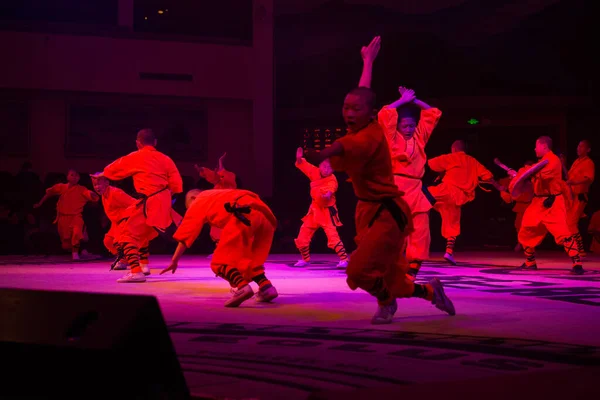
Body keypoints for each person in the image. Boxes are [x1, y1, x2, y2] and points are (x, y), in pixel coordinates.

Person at [302, 51, 455, 324]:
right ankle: (431, 292)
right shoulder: (370, 129)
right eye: (345, 107)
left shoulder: (372, 135)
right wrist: (368, 63)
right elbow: (365, 98)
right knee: (390, 275)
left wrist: (323, 153)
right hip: (369, 209)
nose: (349, 112)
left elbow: (347, 146)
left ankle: (387, 301)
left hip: (390, 208)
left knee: (359, 271)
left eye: (355, 109)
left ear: (369, 114)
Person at [357, 37, 442, 281]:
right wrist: (402, 101)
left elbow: (433, 113)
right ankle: (390, 266)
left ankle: (413, 270)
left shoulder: (419, 138)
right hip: (397, 188)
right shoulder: (391, 138)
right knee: (394, 231)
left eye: (411, 124)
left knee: (421, 229)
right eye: (404, 124)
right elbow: (385, 114)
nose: (408, 128)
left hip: (416, 188)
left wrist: (415, 101)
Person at [160, 188, 279, 307]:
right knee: (252, 261)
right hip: (266, 216)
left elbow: (186, 233)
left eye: (188, 208)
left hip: (242, 214)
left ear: (193, 198)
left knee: (220, 262)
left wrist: (174, 260)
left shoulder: (199, 200)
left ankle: (243, 287)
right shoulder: (217, 195)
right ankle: (267, 288)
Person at [94, 128, 183, 283]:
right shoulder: (166, 159)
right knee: (140, 235)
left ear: (137, 143)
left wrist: (104, 174)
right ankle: (143, 265)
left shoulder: (137, 157)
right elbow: (177, 187)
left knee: (127, 235)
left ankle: (136, 271)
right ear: (155, 142)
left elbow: (113, 169)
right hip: (163, 203)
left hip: (149, 202)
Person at [517, 136, 583, 274]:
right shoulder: (542, 161)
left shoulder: (553, 160)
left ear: (544, 146)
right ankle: (530, 262)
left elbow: (540, 175)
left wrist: (524, 173)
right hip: (538, 202)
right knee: (525, 228)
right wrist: (518, 176)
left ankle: (577, 263)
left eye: (536, 146)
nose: (535, 149)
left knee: (563, 232)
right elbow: (533, 175)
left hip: (553, 202)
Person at [427, 140, 500, 264]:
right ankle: (449, 252)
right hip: (459, 198)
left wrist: (442, 170)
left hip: (448, 190)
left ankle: (412, 234)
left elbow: (431, 163)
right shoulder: (473, 161)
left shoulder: (452, 157)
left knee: (422, 195)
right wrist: (499, 187)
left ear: (453, 149)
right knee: (452, 224)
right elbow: (487, 176)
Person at [293, 147, 348, 268]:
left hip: (327, 211)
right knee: (303, 235)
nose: (326, 170)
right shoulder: (315, 172)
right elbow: (305, 166)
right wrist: (299, 159)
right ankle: (305, 259)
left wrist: (328, 194)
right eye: (324, 166)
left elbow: (331, 188)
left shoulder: (332, 179)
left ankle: (344, 259)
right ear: (320, 165)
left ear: (333, 169)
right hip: (314, 210)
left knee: (332, 235)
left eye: (329, 168)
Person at [91, 174, 153, 272]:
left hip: (126, 221)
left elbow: (134, 203)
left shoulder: (115, 193)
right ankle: (125, 258)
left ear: (107, 183)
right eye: (95, 185)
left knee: (123, 241)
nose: (97, 187)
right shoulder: (104, 195)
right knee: (108, 241)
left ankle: (130, 261)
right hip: (116, 223)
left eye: (99, 184)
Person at [34, 169, 99, 260]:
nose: (75, 177)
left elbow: (88, 193)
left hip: (76, 216)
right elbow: (49, 193)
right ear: (67, 177)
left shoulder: (81, 189)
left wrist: (92, 194)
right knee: (66, 244)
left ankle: (75, 253)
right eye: (72, 175)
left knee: (76, 233)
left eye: (77, 175)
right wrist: (40, 203)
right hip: (63, 218)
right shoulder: (61, 187)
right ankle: (78, 249)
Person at [195, 152, 237, 258]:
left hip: (228, 210)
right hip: (218, 209)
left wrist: (220, 163)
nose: (217, 171)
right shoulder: (218, 183)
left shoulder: (230, 181)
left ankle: (228, 252)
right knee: (216, 230)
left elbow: (218, 176)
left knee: (227, 231)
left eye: (219, 170)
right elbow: (213, 177)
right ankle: (219, 250)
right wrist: (203, 171)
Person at [566, 140, 595, 257]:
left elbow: (588, 178)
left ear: (588, 150)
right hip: (571, 197)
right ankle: (576, 247)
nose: (579, 148)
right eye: (578, 146)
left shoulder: (588, 162)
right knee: (569, 223)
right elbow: (569, 177)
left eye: (582, 146)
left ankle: (580, 249)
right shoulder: (576, 162)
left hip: (580, 196)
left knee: (571, 222)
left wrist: (574, 181)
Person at [500, 161, 535, 251]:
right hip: (521, 206)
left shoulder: (533, 181)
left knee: (529, 227)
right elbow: (511, 196)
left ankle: (528, 245)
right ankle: (521, 243)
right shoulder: (519, 179)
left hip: (531, 206)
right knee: (518, 225)